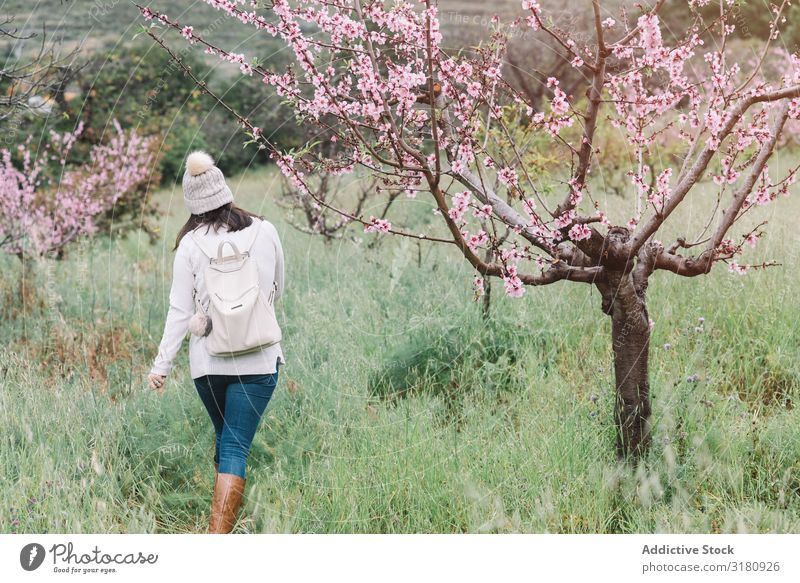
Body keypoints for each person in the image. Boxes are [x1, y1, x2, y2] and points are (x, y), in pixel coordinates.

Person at [148, 151, 285, 534]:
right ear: (225, 190)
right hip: (258, 360)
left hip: (209, 365)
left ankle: (219, 528)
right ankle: (218, 536)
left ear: (192, 203)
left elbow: (179, 310)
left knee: (227, 440)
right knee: (234, 445)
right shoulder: (265, 230)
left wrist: (161, 366)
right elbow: (279, 289)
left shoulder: (190, 245)